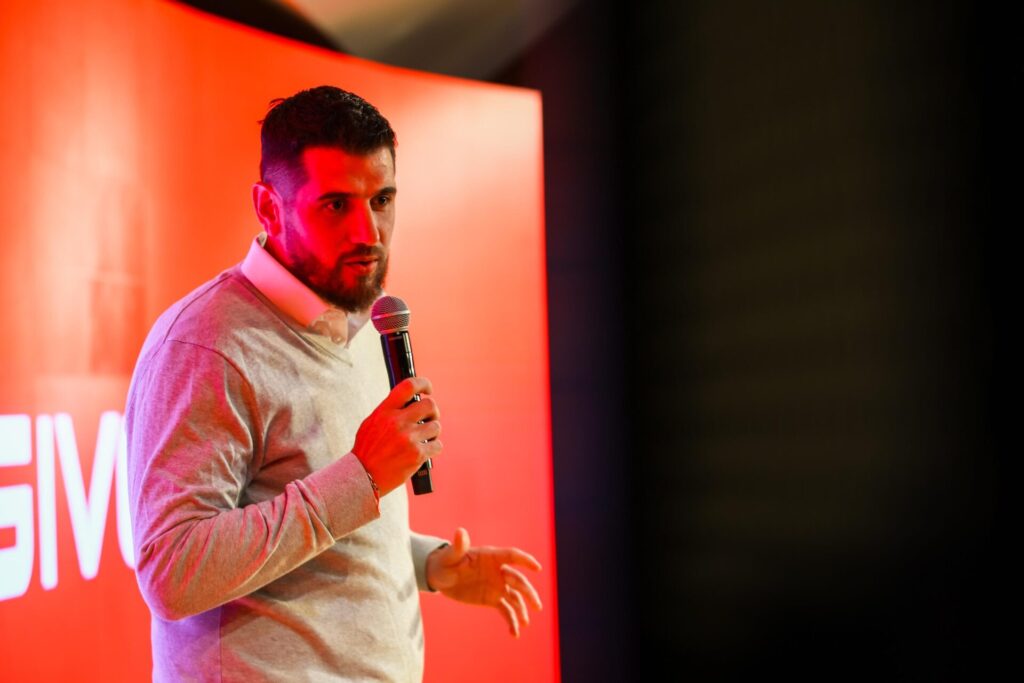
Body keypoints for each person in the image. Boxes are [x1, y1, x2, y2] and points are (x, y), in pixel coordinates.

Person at [125, 85, 542, 682]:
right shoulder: (203, 346)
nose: (368, 233)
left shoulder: (358, 318)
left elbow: (320, 520)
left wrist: (425, 564)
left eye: (383, 200)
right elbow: (174, 571)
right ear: (269, 208)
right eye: (336, 205)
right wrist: (363, 475)